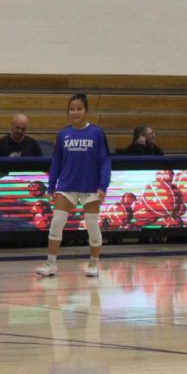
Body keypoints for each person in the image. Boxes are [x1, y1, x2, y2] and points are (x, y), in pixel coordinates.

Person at [35, 93, 111, 279]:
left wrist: (103, 185)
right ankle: (51, 264)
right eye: (72, 109)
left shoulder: (96, 133)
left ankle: (93, 263)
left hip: (91, 187)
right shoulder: (63, 134)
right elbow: (56, 162)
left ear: (86, 111)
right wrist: (51, 187)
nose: (75, 112)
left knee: (92, 225)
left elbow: (105, 160)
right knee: (56, 224)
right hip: (67, 185)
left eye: (79, 109)